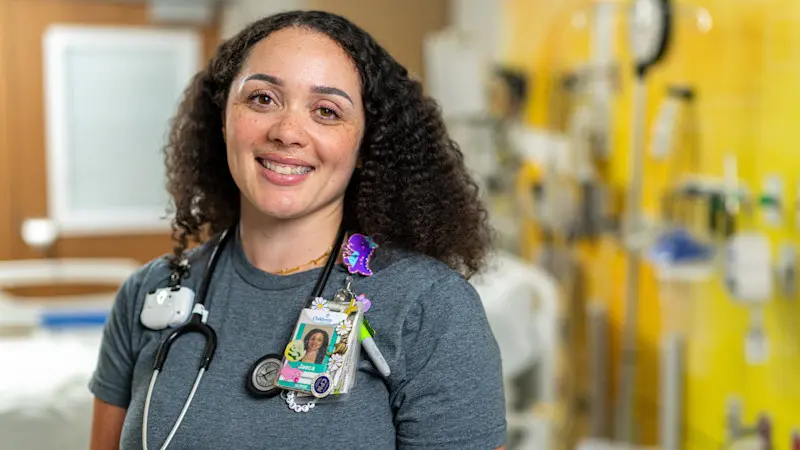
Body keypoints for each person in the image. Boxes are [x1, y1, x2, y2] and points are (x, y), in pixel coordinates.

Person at [89, 10, 506, 450]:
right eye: (262, 99)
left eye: (326, 111)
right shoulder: (149, 294)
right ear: (224, 119)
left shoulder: (428, 309)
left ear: (366, 145)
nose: (287, 132)